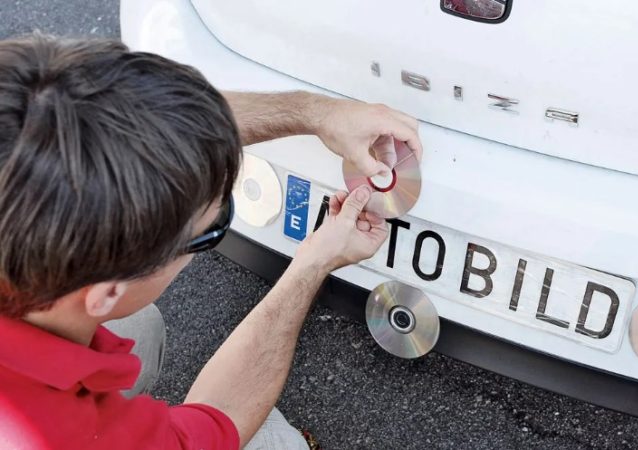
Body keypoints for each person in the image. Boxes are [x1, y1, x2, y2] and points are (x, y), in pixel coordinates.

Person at [0, 35, 422, 450]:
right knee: (274, 441)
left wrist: (315, 112)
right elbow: (221, 420)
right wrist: (313, 261)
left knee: (138, 326)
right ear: (107, 290)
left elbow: (137, 129)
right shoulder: (60, 437)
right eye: (211, 228)